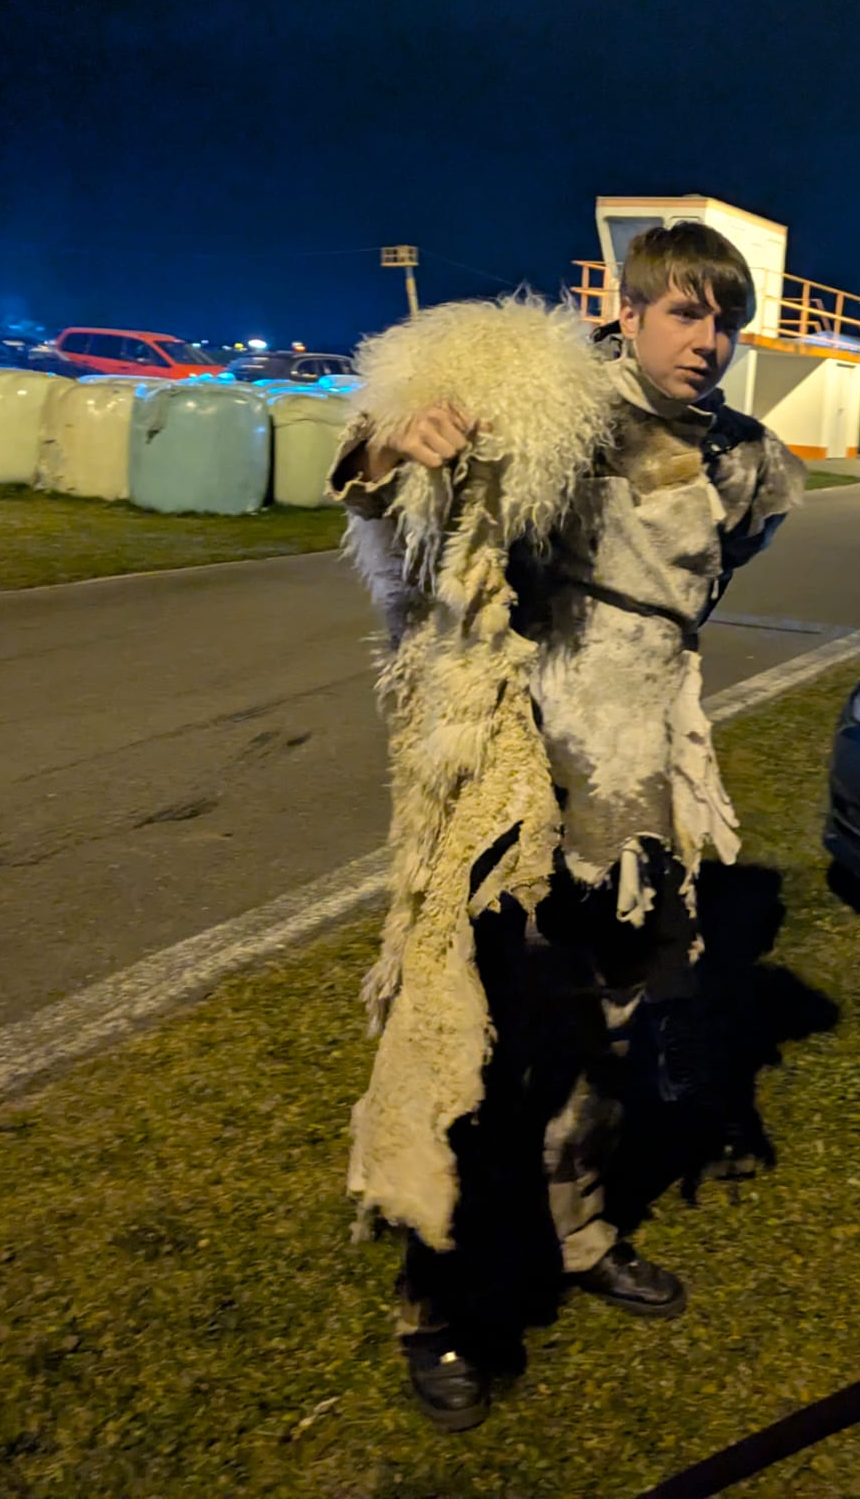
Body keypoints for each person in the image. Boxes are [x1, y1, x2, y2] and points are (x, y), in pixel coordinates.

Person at [327, 223, 800, 1428]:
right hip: (516, 773)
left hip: (634, 780)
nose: (706, 340)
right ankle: (437, 1301)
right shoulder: (547, 404)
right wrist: (398, 442)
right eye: (683, 312)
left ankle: (579, 1232)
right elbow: (399, 506)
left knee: (604, 1037)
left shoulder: (750, 461)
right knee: (468, 1037)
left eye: (725, 319)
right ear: (629, 313)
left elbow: (698, 590)